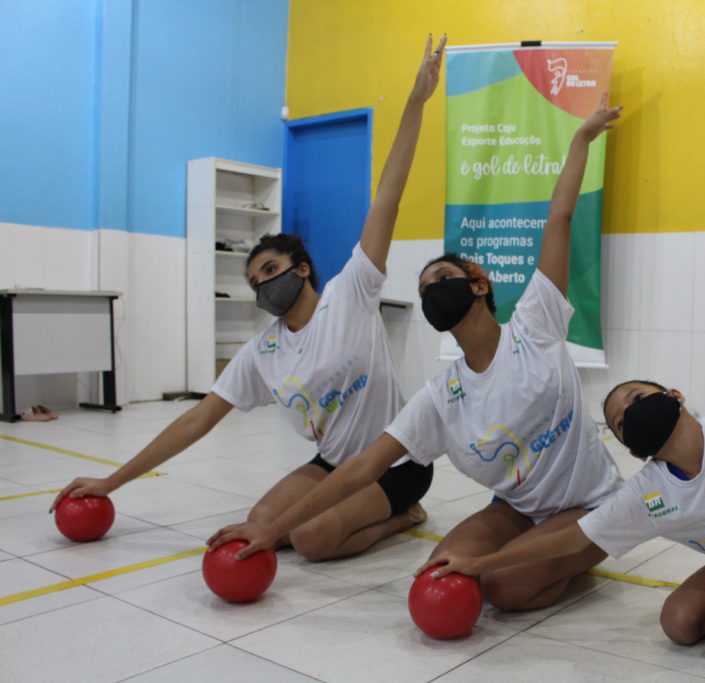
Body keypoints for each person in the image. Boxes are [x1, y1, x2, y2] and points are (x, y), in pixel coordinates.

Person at [419, 170, 705, 659]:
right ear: (629, 448)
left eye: (636, 398)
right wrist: (485, 563)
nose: (631, 412)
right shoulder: (649, 494)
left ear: (674, 394)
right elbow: (568, 541)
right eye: (621, 420)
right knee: (679, 624)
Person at [209, 95, 627, 611]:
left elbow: (560, 217)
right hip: (517, 507)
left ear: (478, 284)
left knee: (504, 587)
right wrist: (274, 529)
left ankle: (573, 554)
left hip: (589, 503)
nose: (431, 290)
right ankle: (537, 552)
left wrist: (582, 139)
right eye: (425, 286)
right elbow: (364, 467)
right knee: (436, 578)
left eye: (443, 279)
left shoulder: (535, 324)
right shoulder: (443, 394)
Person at [50, 35, 447, 562]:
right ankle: (345, 510)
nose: (262, 284)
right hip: (332, 464)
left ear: (302, 270)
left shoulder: (350, 292)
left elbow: (387, 199)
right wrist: (112, 481)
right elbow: (197, 421)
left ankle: (404, 514)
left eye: (271, 270)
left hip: (397, 463)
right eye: (254, 279)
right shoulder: (265, 351)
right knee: (261, 524)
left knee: (308, 539)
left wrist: (416, 100)